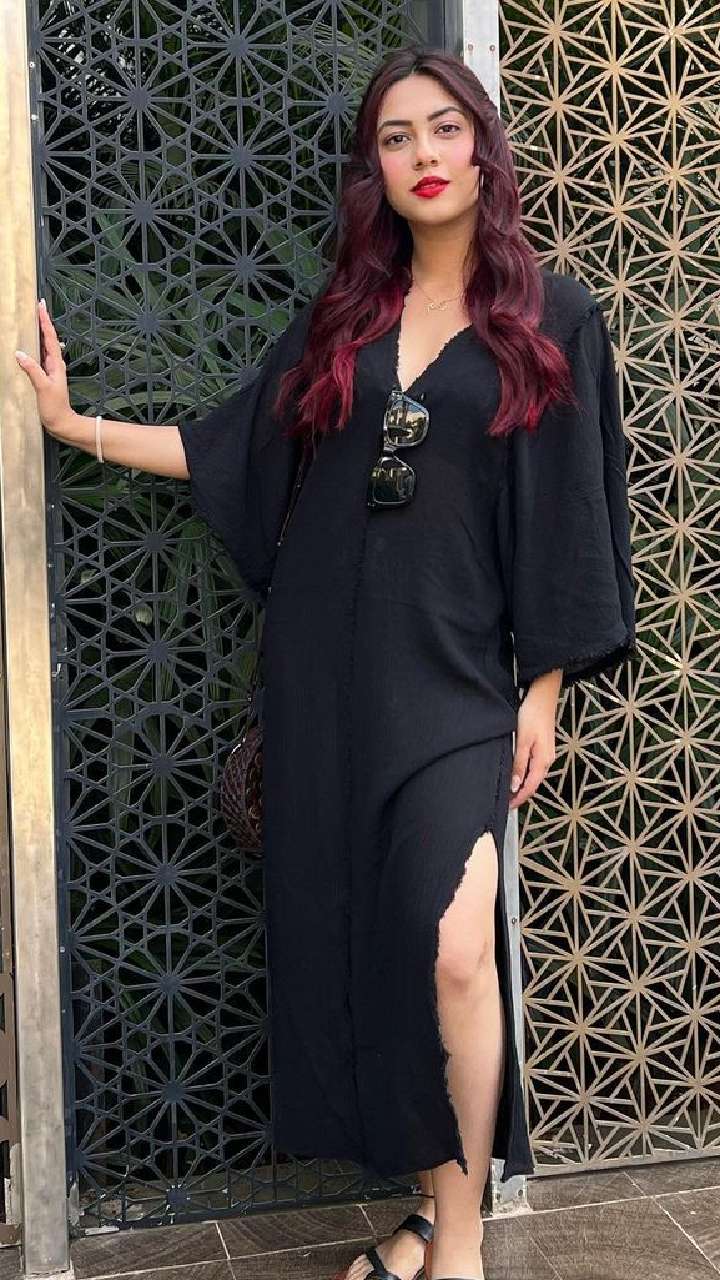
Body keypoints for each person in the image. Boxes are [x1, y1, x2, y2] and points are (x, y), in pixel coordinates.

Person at [15, 42, 635, 1280]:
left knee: (455, 947)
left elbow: (575, 511)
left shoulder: (552, 316)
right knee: (376, 944)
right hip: (326, 679)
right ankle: (428, 1210)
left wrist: (545, 687)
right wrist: (73, 425)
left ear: (483, 149)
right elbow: (232, 449)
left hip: (458, 679)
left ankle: (458, 1241)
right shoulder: (341, 321)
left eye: (445, 129)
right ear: (375, 169)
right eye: (397, 138)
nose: (424, 155)